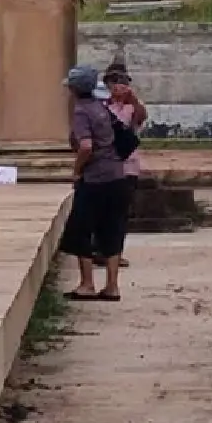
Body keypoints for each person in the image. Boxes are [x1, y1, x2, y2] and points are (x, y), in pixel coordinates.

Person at [60, 65, 131, 301]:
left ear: (73, 88)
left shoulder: (81, 111)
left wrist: (76, 170)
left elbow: (86, 146)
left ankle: (87, 284)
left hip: (94, 178)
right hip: (116, 176)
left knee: (82, 230)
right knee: (112, 229)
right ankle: (112, 286)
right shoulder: (102, 108)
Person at [101, 62, 147, 268]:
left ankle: (115, 252)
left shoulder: (132, 107)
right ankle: (102, 250)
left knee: (121, 213)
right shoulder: (103, 106)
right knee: (103, 211)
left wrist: (132, 97)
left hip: (128, 165)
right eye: (113, 82)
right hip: (107, 165)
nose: (117, 86)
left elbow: (140, 118)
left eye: (121, 81)